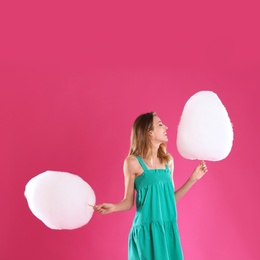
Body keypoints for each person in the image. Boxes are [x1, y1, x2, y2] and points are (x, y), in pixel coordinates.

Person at [94, 112, 208, 260]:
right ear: (149, 132)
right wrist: (113, 207)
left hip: (167, 232)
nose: (166, 127)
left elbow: (170, 199)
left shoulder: (168, 161)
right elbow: (129, 202)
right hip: (146, 233)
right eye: (160, 124)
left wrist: (193, 179)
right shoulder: (132, 162)